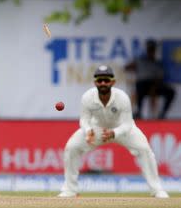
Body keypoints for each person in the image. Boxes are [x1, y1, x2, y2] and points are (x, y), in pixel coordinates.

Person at [58, 65, 169, 198]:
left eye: (106, 80)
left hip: (122, 130)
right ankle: (70, 189)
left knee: (144, 149)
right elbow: (84, 120)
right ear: (95, 82)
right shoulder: (87, 97)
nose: (103, 83)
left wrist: (114, 133)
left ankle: (157, 190)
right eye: (100, 80)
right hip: (97, 129)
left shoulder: (122, 98)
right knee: (72, 147)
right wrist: (88, 131)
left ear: (113, 82)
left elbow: (127, 124)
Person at [125, 39, 176, 119]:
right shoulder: (140, 60)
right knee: (139, 86)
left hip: (154, 85)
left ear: (154, 50)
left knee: (171, 92)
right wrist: (132, 67)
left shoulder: (157, 63)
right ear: (147, 49)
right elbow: (127, 67)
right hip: (142, 84)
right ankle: (139, 112)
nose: (151, 51)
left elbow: (160, 77)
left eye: (152, 49)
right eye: (149, 49)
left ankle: (162, 114)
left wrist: (154, 86)